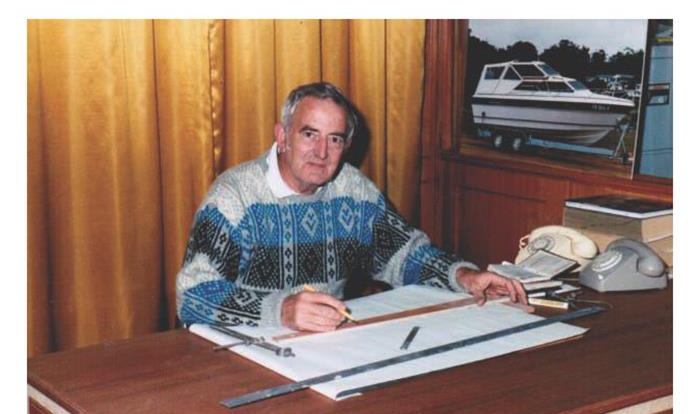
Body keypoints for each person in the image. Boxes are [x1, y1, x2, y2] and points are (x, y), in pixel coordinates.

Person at [176, 82, 527, 332]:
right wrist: (279, 310)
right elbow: (192, 296)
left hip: (326, 345)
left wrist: (464, 277)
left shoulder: (354, 190)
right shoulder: (233, 196)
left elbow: (404, 255)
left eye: (335, 139)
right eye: (309, 134)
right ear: (282, 137)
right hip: (244, 348)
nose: (321, 152)